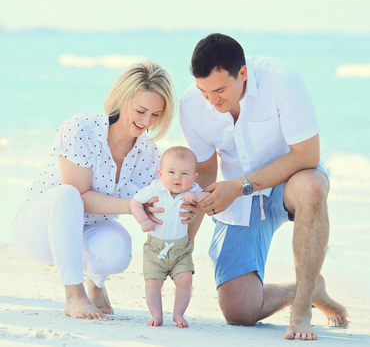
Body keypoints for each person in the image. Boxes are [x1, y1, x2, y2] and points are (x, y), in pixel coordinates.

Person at [179, 33, 348, 340]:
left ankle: (301, 311)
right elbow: (204, 173)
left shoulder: (281, 80)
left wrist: (239, 186)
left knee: (313, 186)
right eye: (204, 92)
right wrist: (185, 239)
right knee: (239, 311)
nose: (212, 101)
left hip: (290, 184)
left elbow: (307, 155)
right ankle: (308, 289)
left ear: (242, 73)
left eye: (220, 91)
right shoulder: (191, 105)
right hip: (238, 201)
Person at [11, 61, 197, 320]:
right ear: (122, 98)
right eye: (141, 110)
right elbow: (79, 196)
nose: (146, 121)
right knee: (68, 195)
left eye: (156, 115)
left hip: (87, 234)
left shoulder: (151, 155)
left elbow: (162, 198)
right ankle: (74, 295)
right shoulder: (81, 129)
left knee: (119, 249)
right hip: (40, 230)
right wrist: (133, 205)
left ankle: (95, 284)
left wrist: (187, 204)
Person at [130, 146, 210, 328]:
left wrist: (197, 194)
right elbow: (135, 202)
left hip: (181, 250)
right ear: (160, 172)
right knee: (152, 282)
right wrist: (143, 220)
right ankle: (156, 314)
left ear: (194, 177)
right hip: (154, 249)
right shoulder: (155, 188)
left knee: (185, 279)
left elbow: (207, 196)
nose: (177, 177)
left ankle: (179, 313)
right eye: (171, 172)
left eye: (184, 173)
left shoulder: (193, 190)